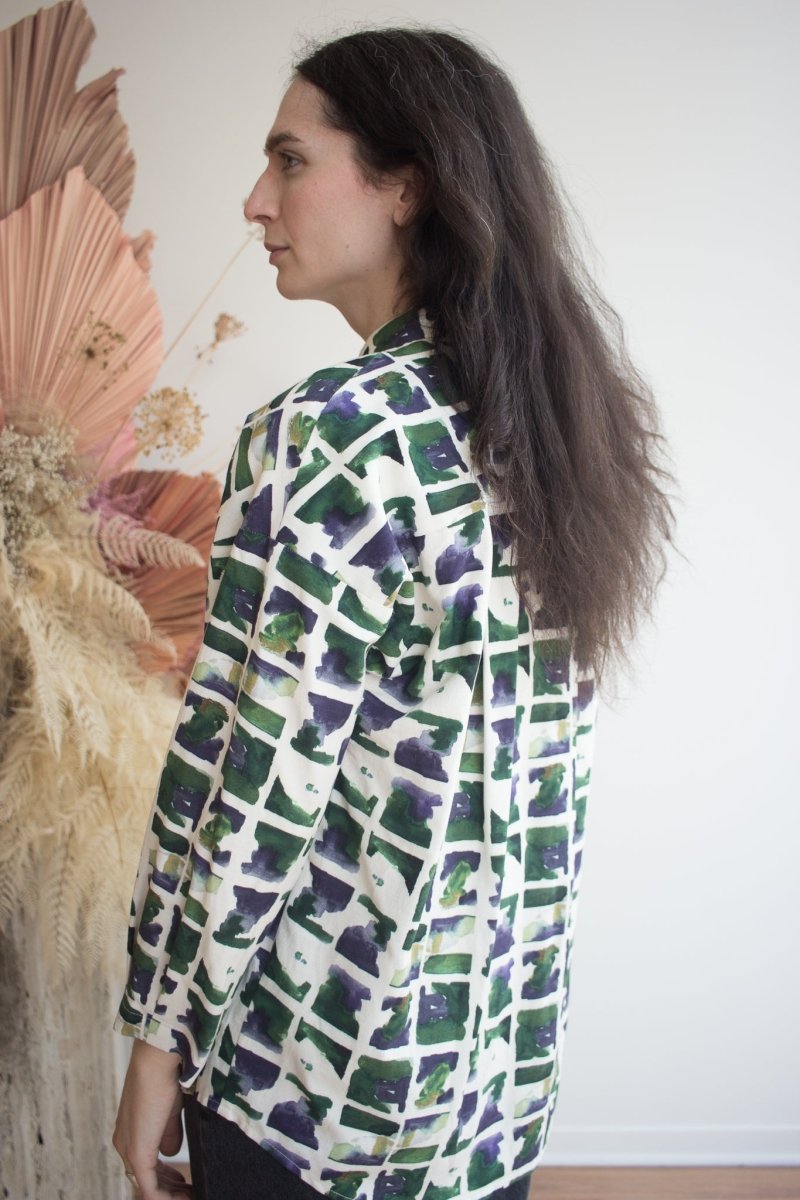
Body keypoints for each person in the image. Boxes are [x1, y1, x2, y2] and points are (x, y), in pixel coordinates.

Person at [112, 26, 673, 1200]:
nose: (255, 201)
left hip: (309, 1090)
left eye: (290, 161)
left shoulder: (337, 433)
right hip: (484, 1092)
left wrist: (159, 1037)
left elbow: (253, 784)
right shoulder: (553, 427)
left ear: (405, 185)